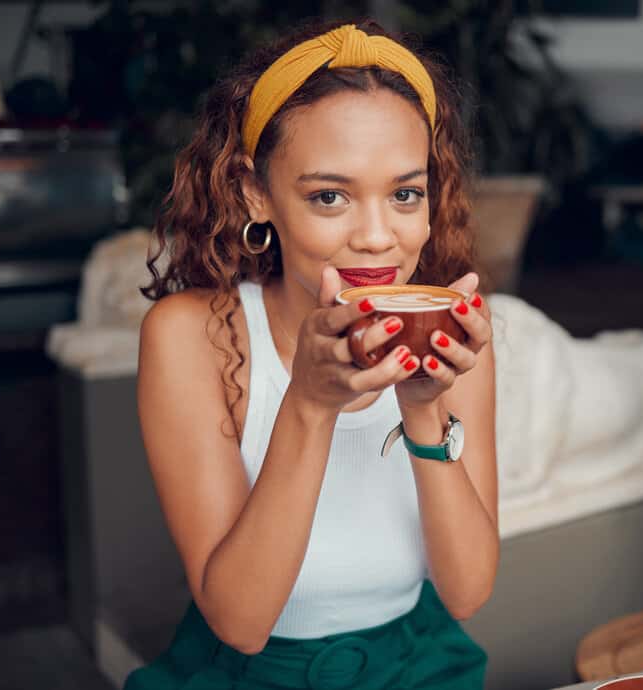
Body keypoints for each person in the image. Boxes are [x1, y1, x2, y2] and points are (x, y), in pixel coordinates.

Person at [127, 18, 498, 690]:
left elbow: (468, 591)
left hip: (420, 665)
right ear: (255, 193)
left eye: (405, 194)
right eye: (330, 196)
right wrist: (309, 402)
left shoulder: (457, 331)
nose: (378, 238)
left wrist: (423, 409)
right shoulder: (188, 336)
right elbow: (240, 621)